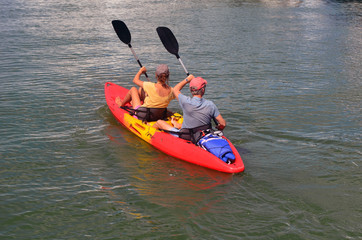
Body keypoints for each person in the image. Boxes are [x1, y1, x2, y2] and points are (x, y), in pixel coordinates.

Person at [154, 75, 226, 143]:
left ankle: (150, 133)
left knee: (159, 122)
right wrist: (219, 127)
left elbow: (175, 89)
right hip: (204, 135)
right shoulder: (210, 104)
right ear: (203, 90)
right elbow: (223, 123)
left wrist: (188, 79)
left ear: (191, 90)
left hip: (187, 137)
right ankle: (177, 125)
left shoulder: (185, 101)